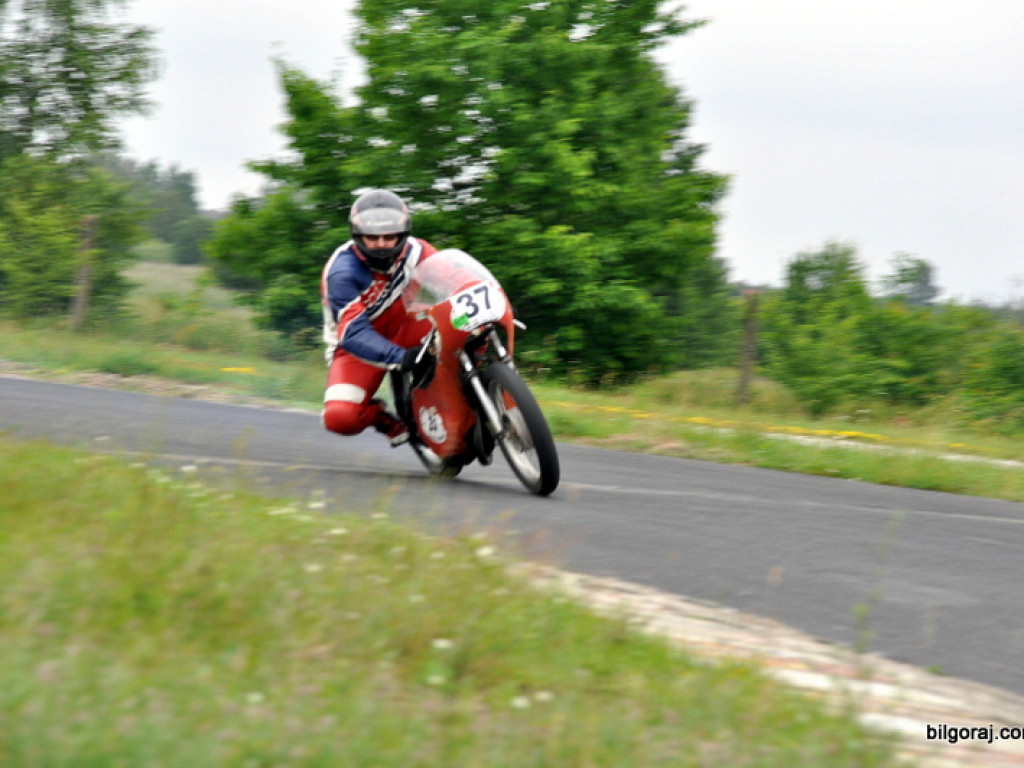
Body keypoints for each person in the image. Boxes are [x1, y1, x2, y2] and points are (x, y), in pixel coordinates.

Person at [320, 189, 437, 446]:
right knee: (339, 418)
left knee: (471, 328)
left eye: (389, 237)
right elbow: (353, 333)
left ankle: (488, 381)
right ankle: (381, 418)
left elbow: (456, 281)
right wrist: (401, 357)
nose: (382, 244)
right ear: (357, 236)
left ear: (403, 234)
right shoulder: (341, 272)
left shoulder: (419, 252)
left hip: (409, 324)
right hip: (356, 347)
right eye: (373, 238)